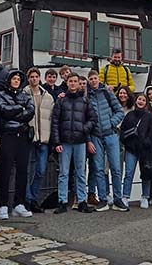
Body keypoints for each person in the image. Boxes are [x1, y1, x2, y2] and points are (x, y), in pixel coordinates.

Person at [51, 73, 97, 214]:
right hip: (64, 142)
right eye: (70, 81)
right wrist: (56, 142)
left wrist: (84, 128)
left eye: (75, 81)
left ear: (78, 83)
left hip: (80, 141)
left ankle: (82, 201)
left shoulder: (84, 100)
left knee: (80, 173)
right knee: (64, 173)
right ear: (67, 83)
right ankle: (62, 201)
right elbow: (55, 122)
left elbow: (93, 118)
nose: (72, 84)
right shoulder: (61, 101)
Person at [0, 70, 35, 220]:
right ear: (9, 80)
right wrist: (20, 108)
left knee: (22, 171)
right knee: (5, 170)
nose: (16, 80)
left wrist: (16, 112)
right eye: (14, 78)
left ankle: (20, 204)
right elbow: (3, 111)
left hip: (23, 136)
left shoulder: (25, 96)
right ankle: (3, 204)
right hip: (8, 135)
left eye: (19, 79)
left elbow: (30, 112)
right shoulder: (1, 95)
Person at [86, 70, 127, 212]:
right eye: (91, 79)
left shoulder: (107, 93)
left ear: (99, 79)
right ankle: (103, 199)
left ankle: (118, 199)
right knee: (98, 169)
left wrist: (111, 122)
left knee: (115, 168)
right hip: (96, 136)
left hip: (111, 135)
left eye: (95, 78)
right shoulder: (87, 97)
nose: (93, 81)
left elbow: (120, 111)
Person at [24, 67, 54, 213]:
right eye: (31, 76)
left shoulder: (48, 96)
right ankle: (28, 200)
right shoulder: (24, 94)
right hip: (29, 138)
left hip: (44, 139)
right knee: (27, 171)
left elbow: (52, 118)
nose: (34, 79)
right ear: (28, 78)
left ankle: (33, 198)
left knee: (41, 170)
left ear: (39, 78)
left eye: (36, 76)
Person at [121, 94, 152, 209]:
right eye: (139, 99)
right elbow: (123, 130)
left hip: (144, 149)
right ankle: (125, 196)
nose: (141, 102)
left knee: (145, 173)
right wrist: (127, 142)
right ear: (136, 101)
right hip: (131, 149)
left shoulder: (149, 116)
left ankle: (145, 197)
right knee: (129, 173)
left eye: (143, 100)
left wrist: (147, 142)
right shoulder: (129, 115)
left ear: (146, 103)